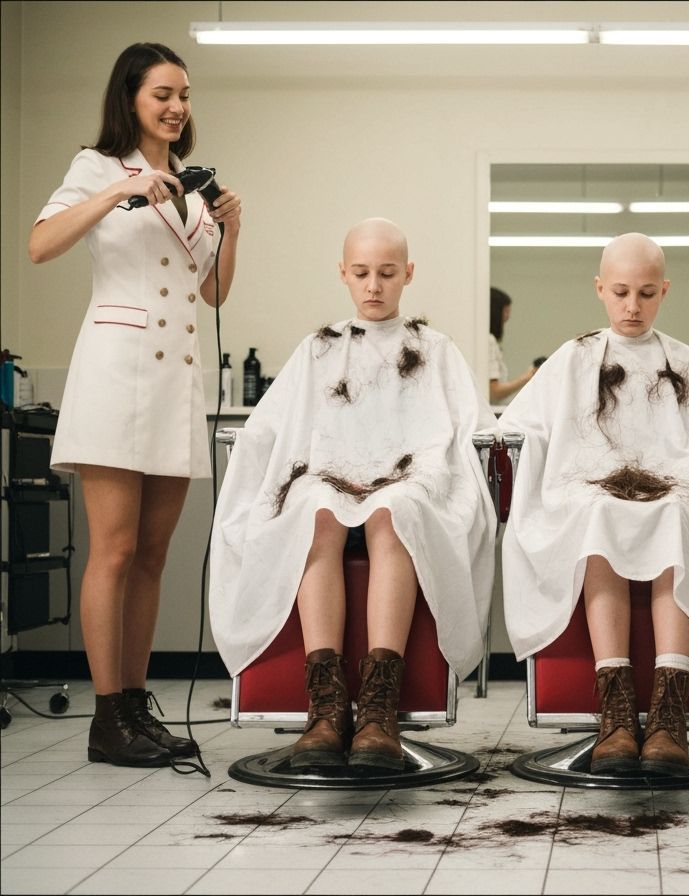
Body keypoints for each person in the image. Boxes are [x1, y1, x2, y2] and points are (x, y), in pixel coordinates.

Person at [211, 219, 496, 770]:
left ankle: (379, 713)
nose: (373, 286)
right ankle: (326, 708)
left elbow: (464, 428)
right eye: (361, 274)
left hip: (410, 481)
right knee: (317, 510)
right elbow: (275, 425)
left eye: (387, 274)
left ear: (407, 274)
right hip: (329, 474)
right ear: (343, 274)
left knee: (395, 511)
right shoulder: (319, 349)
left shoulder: (435, 350)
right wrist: (252, 450)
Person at [28, 42, 243, 768]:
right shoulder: (97, 167)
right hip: (118, 377)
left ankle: (134, 706)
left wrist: (231, 228)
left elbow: (212, 293)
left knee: (152, 555)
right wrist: (119, 192)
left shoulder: (191, 185)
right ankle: (104, 717)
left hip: (177, 382)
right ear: (130, 100)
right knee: (114, 551)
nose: (177, 106)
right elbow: (39, 245)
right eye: (162, 94)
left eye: (184, 94)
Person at [499, 233, 689, 776]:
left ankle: (670, 712)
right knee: (597, 514)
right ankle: (617, 710)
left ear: (665, 291)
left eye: (647, 293)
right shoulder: (573, 358)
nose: (633, 306)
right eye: (622, 292)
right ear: (600, 288)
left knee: (676, 514)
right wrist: (531, 447)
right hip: (588, 488)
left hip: (676, 486)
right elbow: (519, 425)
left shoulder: (687, 362)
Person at [489, 287, 538, 404]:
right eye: (505, 311)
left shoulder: (488, 340)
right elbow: (495, 392)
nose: (508, 315)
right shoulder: (488, 341)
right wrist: (528, 376)